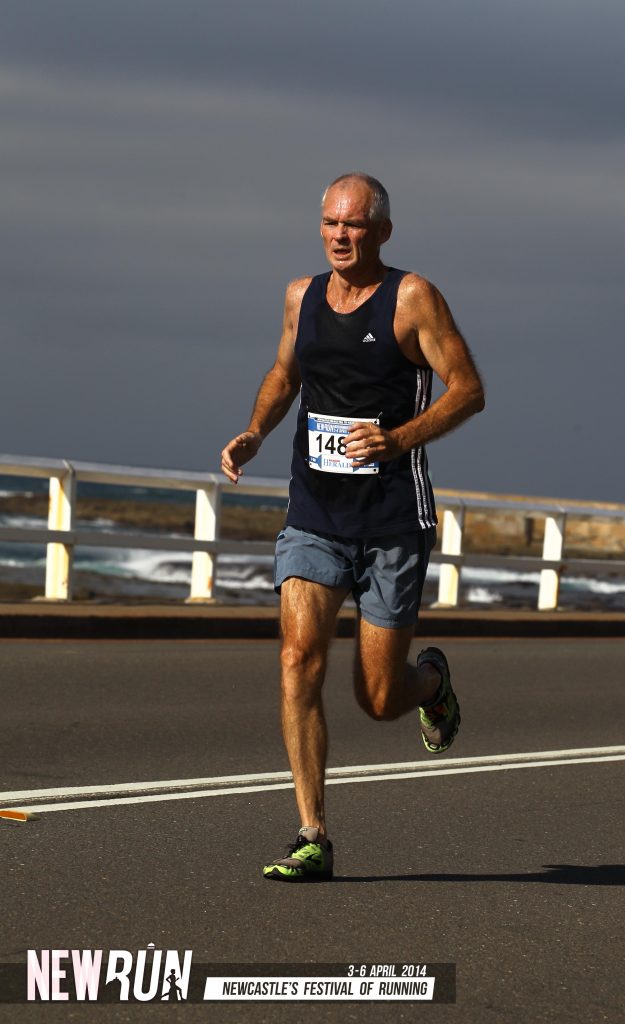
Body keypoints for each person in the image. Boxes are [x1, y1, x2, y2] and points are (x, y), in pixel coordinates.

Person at [221, 173, 485, 882]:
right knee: (296, 658)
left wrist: (396, 440)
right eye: (331, 223)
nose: (341, 235)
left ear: (383, 232)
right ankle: (311, 834)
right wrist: (253, 432)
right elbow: (284, 374)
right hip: (313, 511)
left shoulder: (412, 299)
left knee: (376, 698)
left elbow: (468, 390)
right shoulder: (299, 297)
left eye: (356, 226)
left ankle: (429, 684)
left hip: (393, 518)